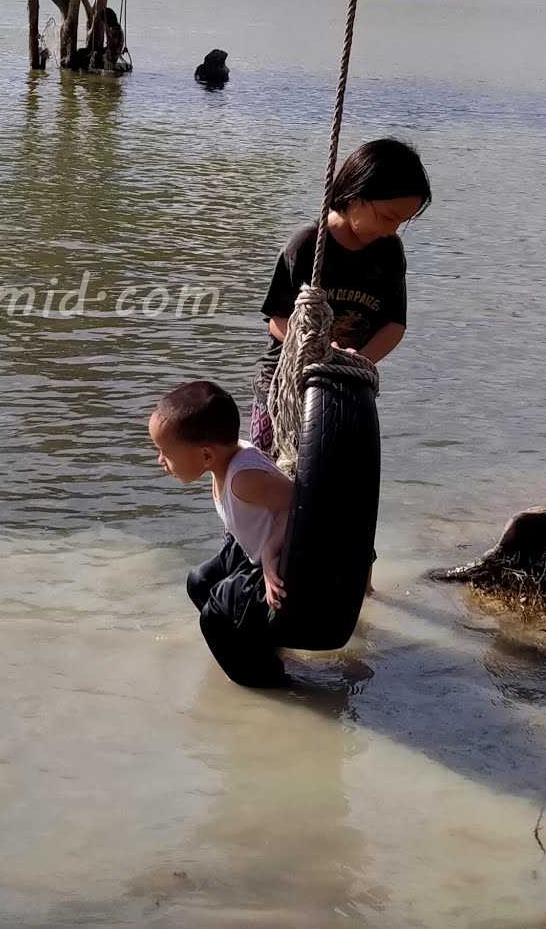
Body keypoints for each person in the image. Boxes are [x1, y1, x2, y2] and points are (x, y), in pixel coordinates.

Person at [251, 138, 430, 454]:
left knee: (335, 479)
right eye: (389, 217)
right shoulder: (307, 244)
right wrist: (316, 350)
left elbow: (393, 325)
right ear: (356, 196)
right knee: (271, 474)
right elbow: (277, 319)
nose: (393, 230)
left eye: (402, 222)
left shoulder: (388, 252)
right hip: (284, 387)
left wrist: (356, 361)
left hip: (346, 386)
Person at [152, 379, 294, 689]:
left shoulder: (244, 480)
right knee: (201, 582)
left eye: (166, 453)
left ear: (205, 456)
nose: (160, 461)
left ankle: (268, 685)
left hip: (278, 564)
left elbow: (302, 502)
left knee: (215, 619)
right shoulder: (227, 459)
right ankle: (256, 648)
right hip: (251, 550)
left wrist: (272, 550)